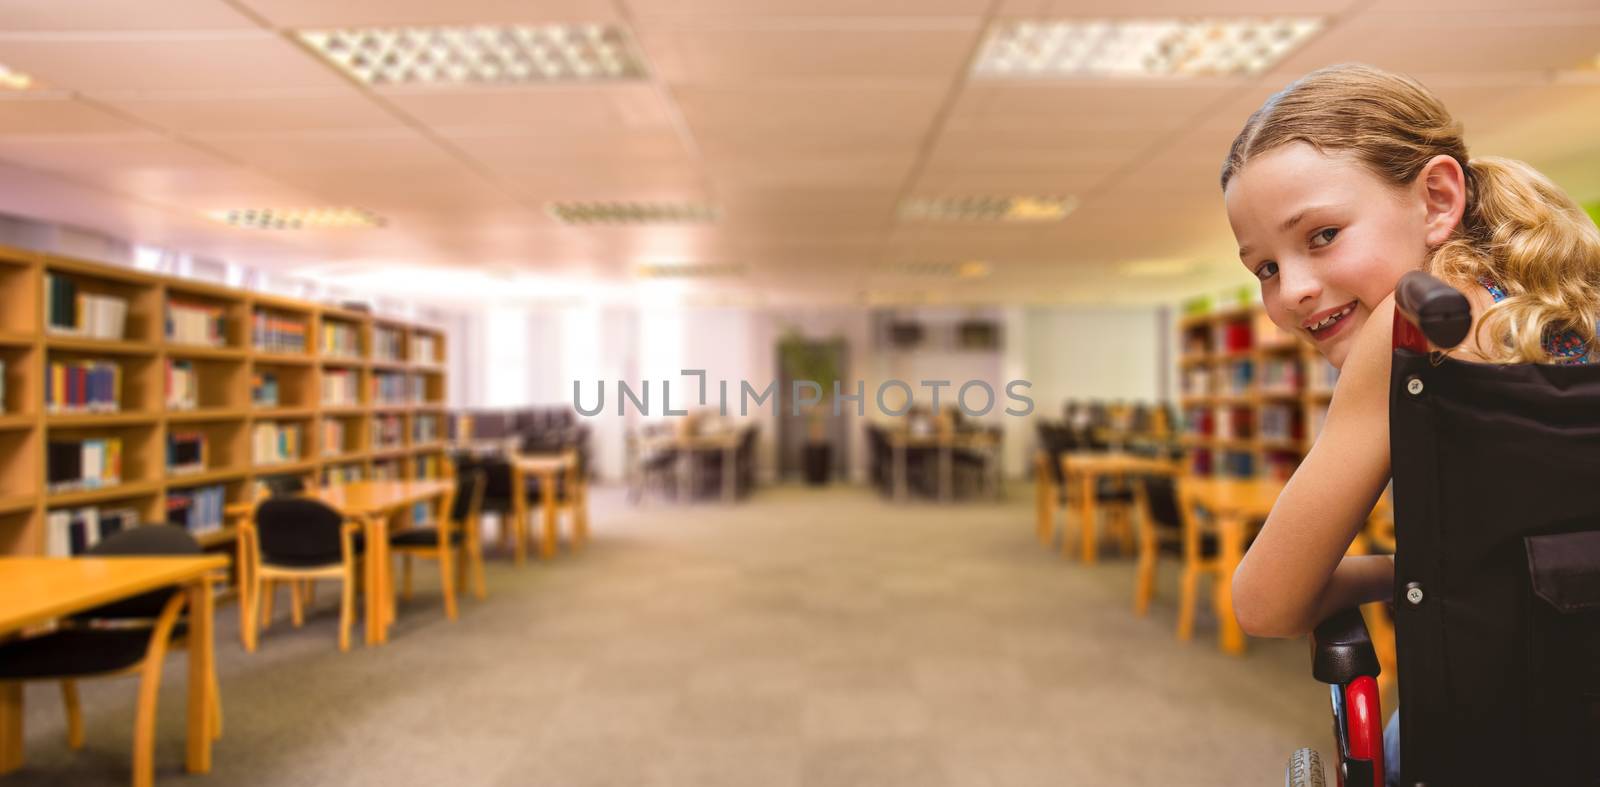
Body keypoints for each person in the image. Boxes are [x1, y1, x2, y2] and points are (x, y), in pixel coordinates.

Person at [1218, 63, 1600, 783]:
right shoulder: (1570, 315)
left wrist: (1403, 572)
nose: (1293, 289)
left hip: (1485, 741)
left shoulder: (1410, 331)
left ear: (1437, 198)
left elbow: (1265, 600)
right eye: (1264, 268)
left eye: (1322, 234)